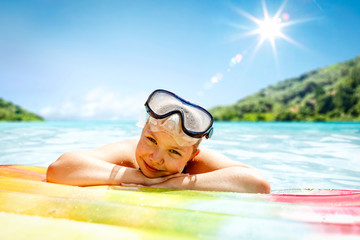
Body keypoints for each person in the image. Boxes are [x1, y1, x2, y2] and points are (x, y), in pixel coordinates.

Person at [46, 89, 270, 193]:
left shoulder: (197, 165)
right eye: (151, 141)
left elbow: (257, 183)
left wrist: (173, 183)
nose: (155, 158)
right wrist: (139, 178)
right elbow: (59, 169)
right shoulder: (127, 153)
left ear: (192, 155)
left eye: (174, 152)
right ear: (142, 131)